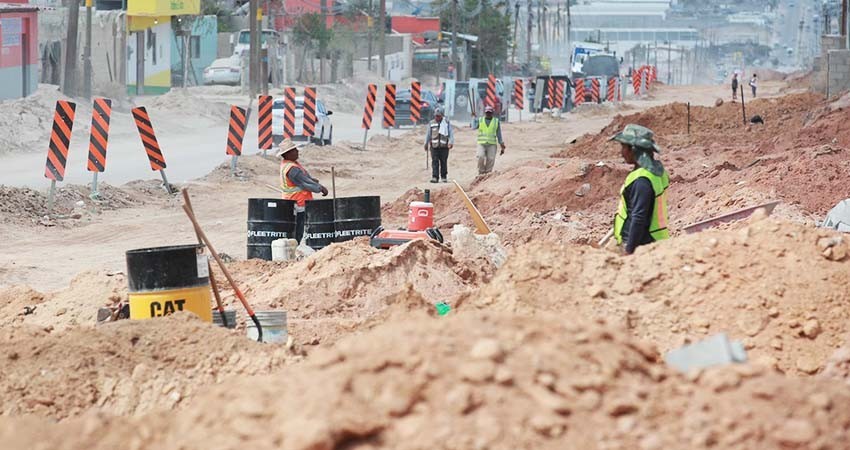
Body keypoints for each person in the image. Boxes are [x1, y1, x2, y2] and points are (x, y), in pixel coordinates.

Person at [609, 124, 670, 255]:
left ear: (633, 149)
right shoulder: (655, 172)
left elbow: (638, 218)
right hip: (652, 241)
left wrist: (629, 251)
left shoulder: (641, 180)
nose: (622, 152)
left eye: (624, 147)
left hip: (642, 245)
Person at [277, 138, 328, 242]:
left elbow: (305, 178)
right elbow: (304, 183)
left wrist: (312, 180)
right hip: (298, 202)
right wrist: (320, 188)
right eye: (294, 150)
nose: (297, 151)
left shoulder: (290, 164)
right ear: (288, 153)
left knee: (298, 229)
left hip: (295, 201)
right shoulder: (292, 169)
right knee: (298, 230)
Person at [471, 105, 506, 175]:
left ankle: (488, 173)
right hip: (481, 143)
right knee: (480, 156)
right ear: (485, 113)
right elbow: (473, 127)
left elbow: (499, 133)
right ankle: (481, 173)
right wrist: (473, 118)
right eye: (487, 113)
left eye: (489, 113)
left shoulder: (496, 121)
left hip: (492, 144)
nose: (488, 114)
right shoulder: (480, 120)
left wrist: (501, 143)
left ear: (492, 113)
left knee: (491, 159)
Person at [423, 107, 454, 183]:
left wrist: (451, 142)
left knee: (443, 162)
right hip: (434, 146)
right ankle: (435, 177)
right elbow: (428, 134)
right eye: (436, 115)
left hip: (444, 147)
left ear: (442, 116)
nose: (437, 117)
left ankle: (444, 176)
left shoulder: (446, 123)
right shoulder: (431, 123)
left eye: (438, 116)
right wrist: (426, 143)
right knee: (435, 161)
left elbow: (451, 134)